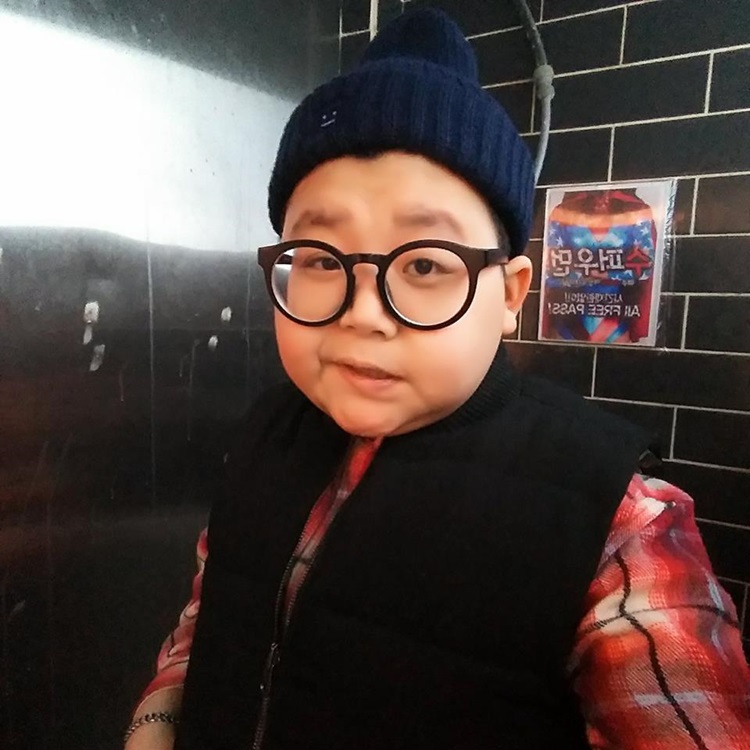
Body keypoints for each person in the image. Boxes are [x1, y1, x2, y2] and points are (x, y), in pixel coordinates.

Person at [124, 8, 750, 749]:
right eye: (320, 260)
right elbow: (212, 613)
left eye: (423, 264)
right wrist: (157, 720)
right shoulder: (267, 430)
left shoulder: (620, 521)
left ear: (510, 295)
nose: (363, 314)